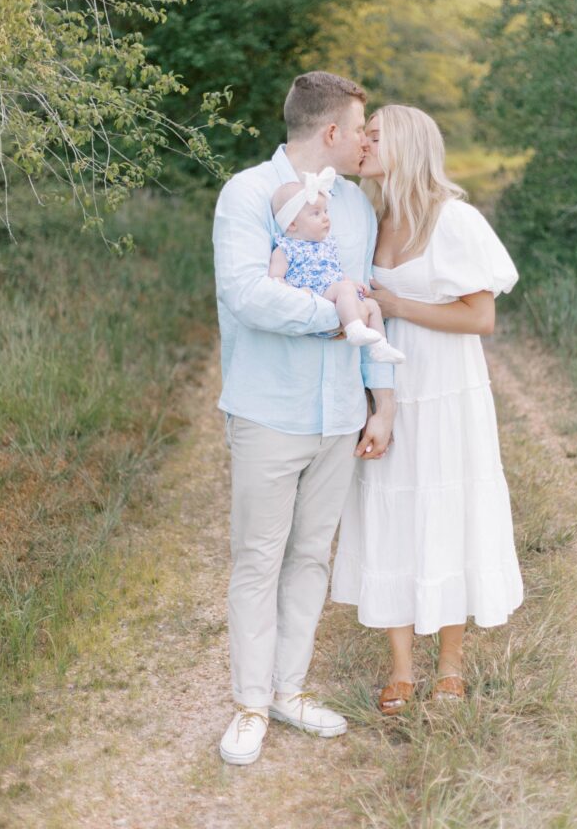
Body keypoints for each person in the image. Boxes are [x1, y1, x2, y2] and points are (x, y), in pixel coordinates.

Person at [212, 72, 396, 764]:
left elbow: (371, 302)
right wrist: (332, 322)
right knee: (258, 559)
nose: (365, 141)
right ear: (330, 133)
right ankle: (250, 705)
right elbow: (247, 294)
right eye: (359, 129)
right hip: (268, 410)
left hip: (339, 413)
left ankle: (289, 692)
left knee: (312, 556)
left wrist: (379, 400)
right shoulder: (247, 194)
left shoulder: (357, 207)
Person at [331, 104, 523, 712]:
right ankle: (401, 668)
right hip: (389, 387)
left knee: (449, 508)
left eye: (375, 135)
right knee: (389, 512)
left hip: (447, 388)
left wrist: (399, 304)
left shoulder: (454, 220)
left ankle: (451, 666)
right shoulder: (371, 218)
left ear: (407, 146)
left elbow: (481, 317)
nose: (364, 141)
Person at [269, 175, 405, 364]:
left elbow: (336, 273)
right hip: (316, 298)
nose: (325, 218)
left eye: (325, 211)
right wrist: (296, 293)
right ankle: (354, 328)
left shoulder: (326, 244)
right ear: (292, 224)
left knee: (372, 305)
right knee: (344, 288)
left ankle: (380, 347)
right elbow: (275, 279)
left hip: (334, 295)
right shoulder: (286, 248)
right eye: (316, 214)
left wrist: (353, 284)